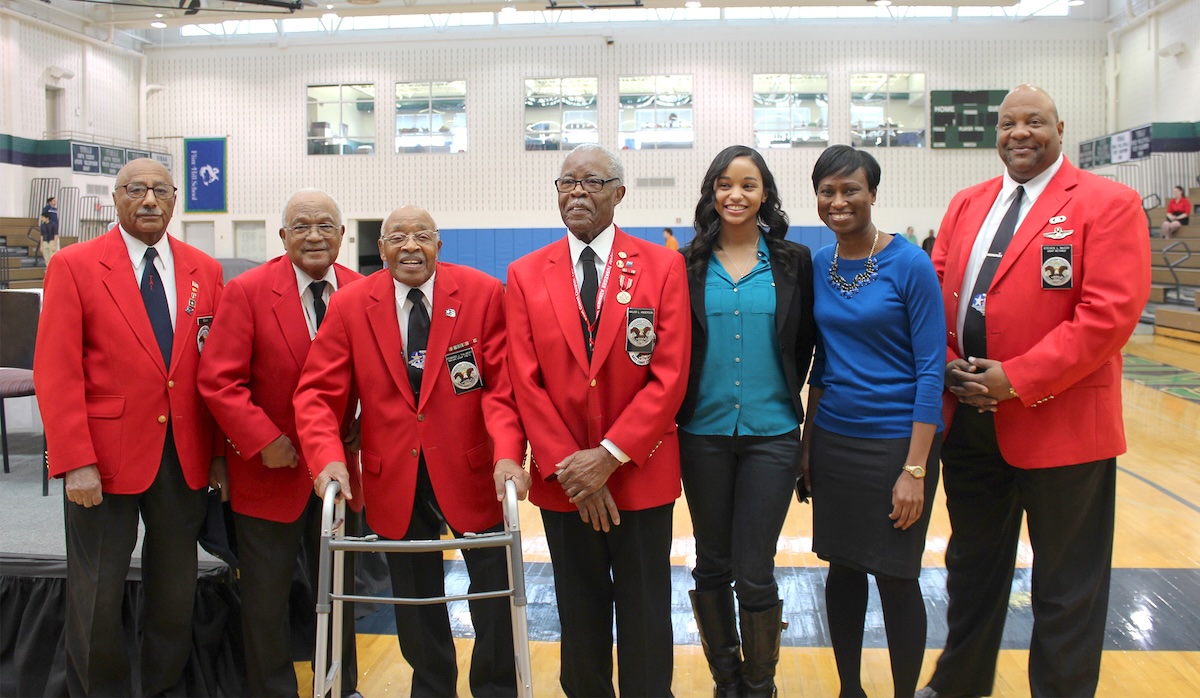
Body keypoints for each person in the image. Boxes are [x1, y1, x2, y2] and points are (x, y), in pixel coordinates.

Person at [918, 84, 1151, 698]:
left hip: (1063, 424)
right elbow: (934, 295)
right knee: (971, 568)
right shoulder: (967, 204)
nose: (1019, 132)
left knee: (1067, 583)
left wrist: (1016, 379)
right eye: (1008, 124)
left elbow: (1108, 316)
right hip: (972, 421)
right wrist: (949, 365)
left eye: (1034, 122)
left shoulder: (1109, 203)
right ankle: (958, 685)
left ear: (1060, 129)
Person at [294, 204, 529, 697]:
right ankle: (432, 689)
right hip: (393, 477)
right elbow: (317, 394)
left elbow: (501, 389)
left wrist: (508, 453)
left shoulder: (483, 294)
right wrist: (327, 457)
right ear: (381, 249)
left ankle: (495, 689)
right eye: (397, 237)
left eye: (421, 235)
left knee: (494, 596)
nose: (410, 246)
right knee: (416, 603)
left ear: (439, 245)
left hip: (473, 470)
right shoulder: (351, 305)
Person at [33, 158, 227, 696]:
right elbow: (56, 371)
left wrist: (216, 454)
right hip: (102, 460)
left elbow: (213, 371)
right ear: (115, 198)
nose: (148, 200)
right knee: (96, 595)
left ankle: (163, 687)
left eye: (160, 191)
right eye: (135, 189)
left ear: (174, 200)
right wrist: (74, 460)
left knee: (175, 593)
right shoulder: (74, 265)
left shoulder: (205, 270)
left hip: (183, 455)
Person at [505, 143, 691, 697]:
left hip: (638, 472)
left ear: (619, 193)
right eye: (567, 183)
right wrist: (575, 470)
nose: (577, 193)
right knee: (578, 614)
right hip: (565, 481)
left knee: (646, 615)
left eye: (591, 182)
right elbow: (525, 381)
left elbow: (670, 374)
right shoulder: (525, 274)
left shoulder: (663, 265)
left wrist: (608, 457)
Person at [198, 189, 365, 697]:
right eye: (301, 226)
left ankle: (340, 687)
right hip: (269, 471)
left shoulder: (364, 291)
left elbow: (381, 374)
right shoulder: (247, 292)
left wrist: (364, 420)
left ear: (342, 234)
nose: (314, 236)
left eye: (325, 226)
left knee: (338, 592)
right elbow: (219, 380)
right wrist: (263, 438)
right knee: (265, 600)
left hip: (340, 473)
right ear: (283, 236)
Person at [800, 145, 945, 698]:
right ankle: (850, 690)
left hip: (896, 445)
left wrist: (915, 468)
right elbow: (822, 362)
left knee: (897, 576)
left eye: (850, 190)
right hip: (835, 439)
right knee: (842, 569)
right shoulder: (820, 265)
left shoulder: (910, 264)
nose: (838, 201)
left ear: (873, 194)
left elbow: (931, 370)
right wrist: (808, 445)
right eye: (828, 192)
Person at [676, 145, 815, 697]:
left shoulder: (794, 261)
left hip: (772, 435)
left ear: (765, 194)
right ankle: (726, 681)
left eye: (748, 184)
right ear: (712, 193)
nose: (736, 194)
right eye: (725, 184)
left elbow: (806, 343)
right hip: (703, 435)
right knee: (711, 564)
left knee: (755, 568)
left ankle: (760, 686)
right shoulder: (686, 264)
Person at [40, 196, 59, 263]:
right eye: (53, 201)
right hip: (48, 231)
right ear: (50, 202)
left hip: (53, 230)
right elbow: (41, 235)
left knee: (53, 255)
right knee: (47, 257)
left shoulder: (55, 209)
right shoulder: (47, 208)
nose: (55, 202)